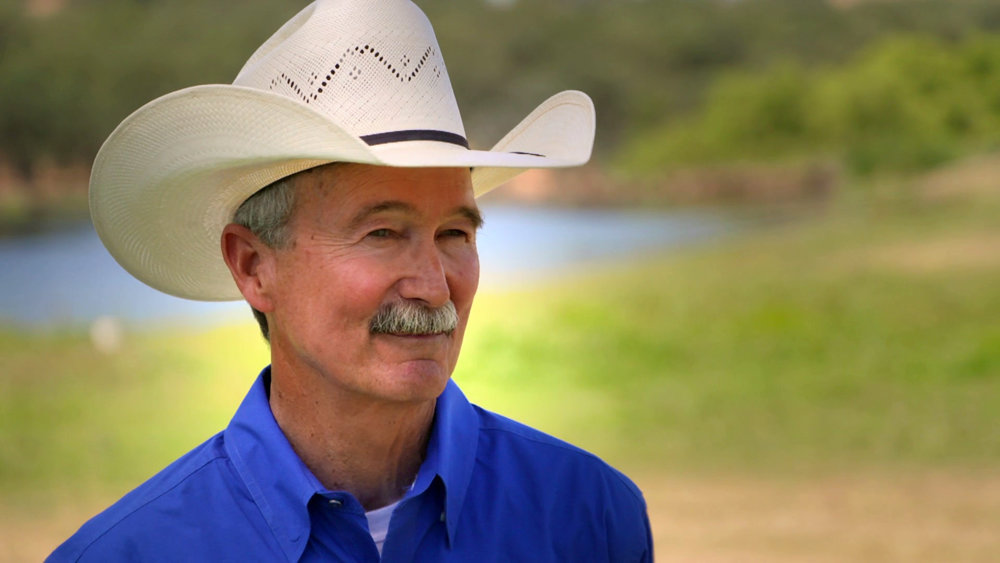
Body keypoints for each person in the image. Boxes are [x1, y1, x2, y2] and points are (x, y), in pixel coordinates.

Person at [49, 0, 653, 561]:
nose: (434, 287)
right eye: (382, 233)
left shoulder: (590, 517)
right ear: (254, 266)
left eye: (454, 234)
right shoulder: (130, 553)